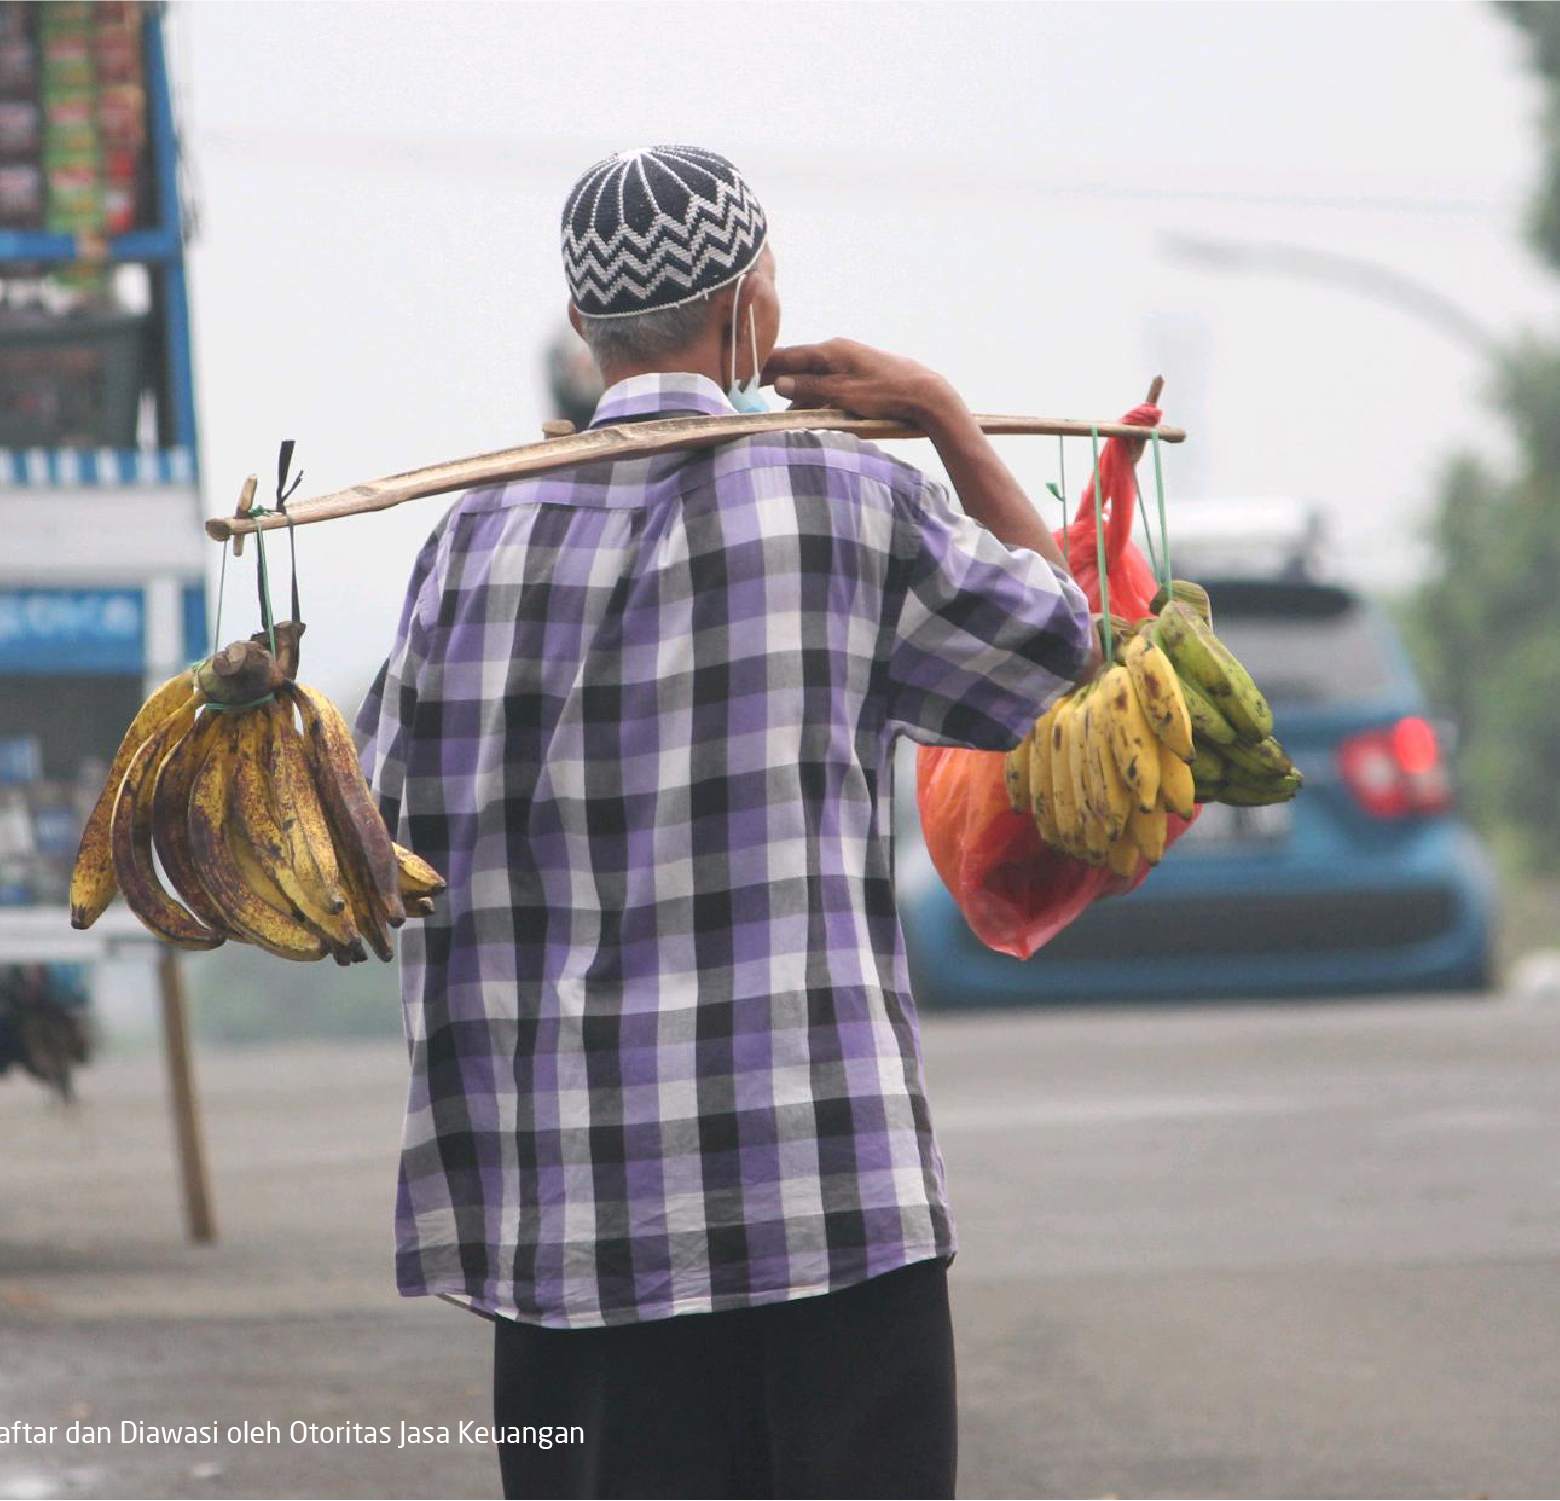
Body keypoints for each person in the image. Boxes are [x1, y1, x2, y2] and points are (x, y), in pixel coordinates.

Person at [356, 145, 1096, 1497]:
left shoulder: (464, 543)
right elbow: (1065, 656)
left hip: (573, 1232)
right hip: (819, 1203)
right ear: (753, 305)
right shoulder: (846, 499)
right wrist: (939, 414)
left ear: (582, 330)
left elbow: (370, 842)